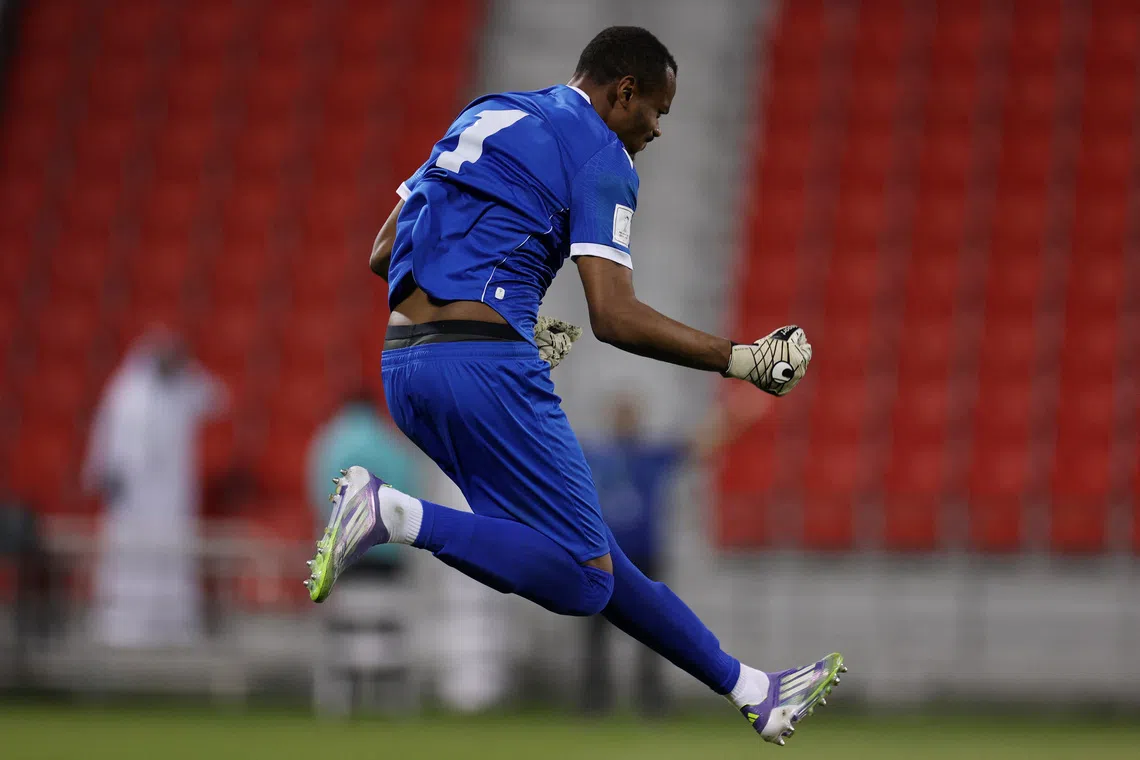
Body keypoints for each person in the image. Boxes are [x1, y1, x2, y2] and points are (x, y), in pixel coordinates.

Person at [305, 27, 842, 745]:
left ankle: (753, 691)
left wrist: (513, 314)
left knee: (591, 559)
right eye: (657, 110)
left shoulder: (487, 113)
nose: (656, 128)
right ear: (623, 93)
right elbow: (615, 317)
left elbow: (383, 254)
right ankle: (393, 515)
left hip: (406, 364)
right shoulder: (600, 155)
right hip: (483, 365)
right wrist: (738, 359)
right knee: (582, 580)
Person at [578, 389, 773, 715]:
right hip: (601, 559)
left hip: (643, 558)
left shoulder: (651, 455)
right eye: (621, 413)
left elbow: (701, 444)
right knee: (595, 636)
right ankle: (593, 704)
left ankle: (651, 703)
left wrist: (737, 412)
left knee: (652, 634)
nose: (625, 421)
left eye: (630, 414)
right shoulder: (595, 455)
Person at [82, 328, 227, 648]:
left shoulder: (182, 389)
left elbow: (218, 400)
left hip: (171, 500)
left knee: (172, 560)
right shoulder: (125, 391)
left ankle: (171, 628)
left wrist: (187, 369)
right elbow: (106, 441)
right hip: (132, 502)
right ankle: (124, 630)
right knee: (129, 561)